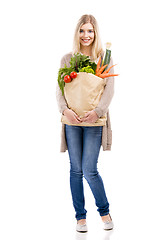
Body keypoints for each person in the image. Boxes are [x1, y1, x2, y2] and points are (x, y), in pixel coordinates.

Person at [56, 14, 115, 232]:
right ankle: (80, 218)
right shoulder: (67, 59)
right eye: (82, 31)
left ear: (95, 33)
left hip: (94, 121)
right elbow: (59, 90)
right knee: (75, 170)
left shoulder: (103, 59)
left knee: (89, 169)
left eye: (90, 31)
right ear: (77, 33)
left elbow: (109, 90)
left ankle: (105, 212)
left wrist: (97, 111)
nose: (86, 35)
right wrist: (65, 110)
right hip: (72, 121)